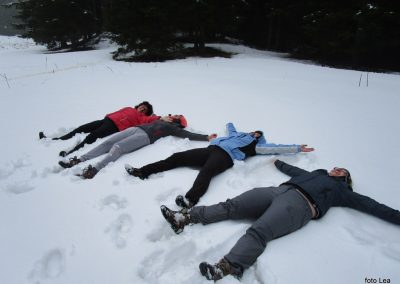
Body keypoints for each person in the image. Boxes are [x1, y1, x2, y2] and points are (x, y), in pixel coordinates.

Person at [160, 159, 400, 281]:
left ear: (346, 180)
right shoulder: (315, 173)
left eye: (342, 172)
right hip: (278, 191)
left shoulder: (343, 192)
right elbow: (292, 171)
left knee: (259, 231)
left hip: (300, 206)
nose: (336, 170)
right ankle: (185, 218)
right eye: (336, 168)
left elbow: (373, 206)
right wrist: (277, 161)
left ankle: (226, 267)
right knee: (232, 206)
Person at [126, 122, 314, 208]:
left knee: (207, 171)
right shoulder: (236, 135)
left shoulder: (257, 146)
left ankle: (190, 200)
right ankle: (143, 171)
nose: (255, 134)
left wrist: (297, 147)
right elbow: (231, 128)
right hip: (211, 149)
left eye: (258, 134)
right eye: (254, 131)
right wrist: (231, 124)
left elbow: (277, 148)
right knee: (178, 156)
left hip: (226, 157)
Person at [59, 115, 217, 179]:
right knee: (107, 143)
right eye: (173, 114)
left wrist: (205, 137)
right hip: (135, 129)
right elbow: (145, 117)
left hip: (144, 137)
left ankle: (94, 169)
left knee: (118, 147)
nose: (172, 115)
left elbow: (188, 135)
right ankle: (78, 160)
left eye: (175, 117)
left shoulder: (173, 128)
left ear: (177, 123)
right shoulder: (160, 119)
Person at [39, 101, 160, 157]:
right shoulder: (129, 108)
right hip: (106, 120)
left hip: (114, 126)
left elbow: (151, 120)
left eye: (145, 110)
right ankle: (57, 139)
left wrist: (155, 117)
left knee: (93, 135)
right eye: (142, 107)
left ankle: (71, 152)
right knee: (81, 128)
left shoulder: (142, 118)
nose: (142, 109)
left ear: (146, 113)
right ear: (138, 105)